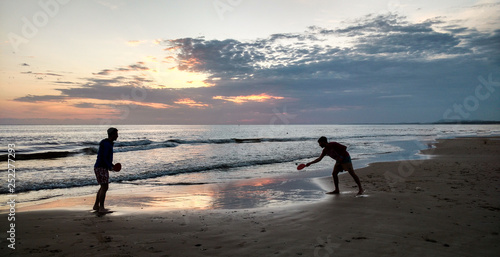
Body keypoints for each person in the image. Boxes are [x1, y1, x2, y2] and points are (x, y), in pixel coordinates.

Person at [93, 127, 119, 213]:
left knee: (102, 187)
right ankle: (101, 208)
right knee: (105, 187)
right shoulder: (107, 144)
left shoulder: (107, 143)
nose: (117, 136)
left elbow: (106, 158)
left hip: (100, 167)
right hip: (101, 167)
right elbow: (104, 157)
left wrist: (111, 165)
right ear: (112, 135)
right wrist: (110, 166)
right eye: (116, 134)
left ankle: (96, 206)